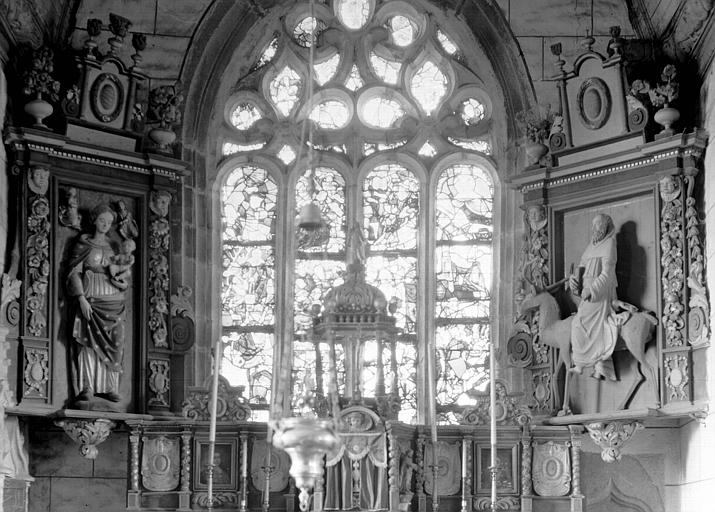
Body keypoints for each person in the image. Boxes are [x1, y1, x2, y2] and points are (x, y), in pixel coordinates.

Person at [67, 204, 127, 403]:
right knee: (88, 343)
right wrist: (81, 298)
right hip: (91, 296)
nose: (105, 225)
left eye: (109, 222)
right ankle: (87, 386)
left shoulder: (115, 247)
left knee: (115, 341)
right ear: (94, 220)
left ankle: (110, 386)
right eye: (102, 220)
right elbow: (73, 273)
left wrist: (123, 281)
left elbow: (125, 274)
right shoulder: (83, 244)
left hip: (113, 300)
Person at [568, 213, 619, 380]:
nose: (595, 229)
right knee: (578, 324)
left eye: (599, 226)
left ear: (605, 228)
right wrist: (574, 281)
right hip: (586, 294)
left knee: (578, 323)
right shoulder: (591, 246)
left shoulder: (610, 244)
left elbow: (607, 274)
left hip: (601, 295)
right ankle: (586, 364)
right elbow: (581, 268)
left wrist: (593, 290)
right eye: (594, 226)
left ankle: (584, 364)